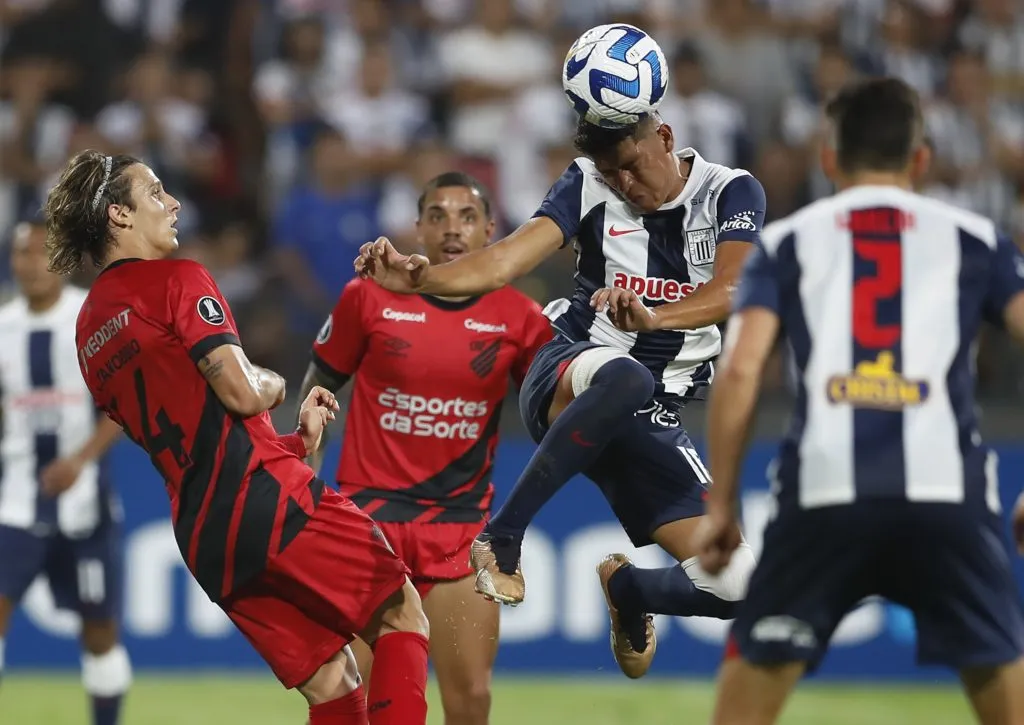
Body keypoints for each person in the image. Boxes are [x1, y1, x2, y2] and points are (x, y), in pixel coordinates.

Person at [355, 110, 761, 678]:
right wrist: (417, 280)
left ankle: (630, 590)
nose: (622, 183)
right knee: (625, 374)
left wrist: (654, 318)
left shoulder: (729, 191)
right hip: (569, 368)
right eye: (610, 173)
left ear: (664, 138)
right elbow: (504, 261)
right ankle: (502, 539)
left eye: (630, 168)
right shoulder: (585, 181)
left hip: (650, 415)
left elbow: (735, 286)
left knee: (736, 584)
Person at [46, 150, 430, 725]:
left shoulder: (88, 331)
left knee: (333, 680)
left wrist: (296, 444)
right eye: (154, 193)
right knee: (402, 615)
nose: (173, 203)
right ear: (119, 217)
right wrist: (274, 384)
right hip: (266, 498)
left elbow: (189, 433)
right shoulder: (178, 279)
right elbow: (243, 394)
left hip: (206, 536)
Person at [694, 76, 1024, 725]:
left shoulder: (787, 242)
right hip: (947, 502)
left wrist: (722, 506)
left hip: (823, 498)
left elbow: (739, 370)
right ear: (921, 158)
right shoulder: (977, 239)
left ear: (828, 157)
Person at [298, 171, 552, 724]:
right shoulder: (367, 297)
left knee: (470, 703)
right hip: (368, 526)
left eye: (467, 216)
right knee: (349, 698)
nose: (452, 229)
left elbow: (554, 413)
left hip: (459, 532)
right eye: (437, 215)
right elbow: (316, 393)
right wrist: (303, 490)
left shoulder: (521, 317)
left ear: (491, 229)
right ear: (418, 230)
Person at [0, 219, 128, 725]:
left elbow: (119, 405)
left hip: (85, 505)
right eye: (19, 254)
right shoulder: (2, 328)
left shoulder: (91, 318)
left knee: (99, 632)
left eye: (38, 253)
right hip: (14, 501)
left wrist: (79, 461)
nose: (29, 264)